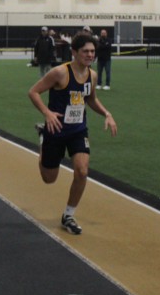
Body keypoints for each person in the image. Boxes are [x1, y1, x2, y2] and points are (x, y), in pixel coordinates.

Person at [28, 33, 118, 235]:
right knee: (49, 178)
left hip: (78, 130)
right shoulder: (60, 73)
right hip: (56, 130)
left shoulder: (92, 75)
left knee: (82, 171)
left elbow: (91, 99)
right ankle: (42, 137)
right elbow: (33, 92)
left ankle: (68, 215)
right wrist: (47, 113)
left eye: (92, 51)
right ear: (74, 52)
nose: (90, 55)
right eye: (85, 51)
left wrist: (107, 113)